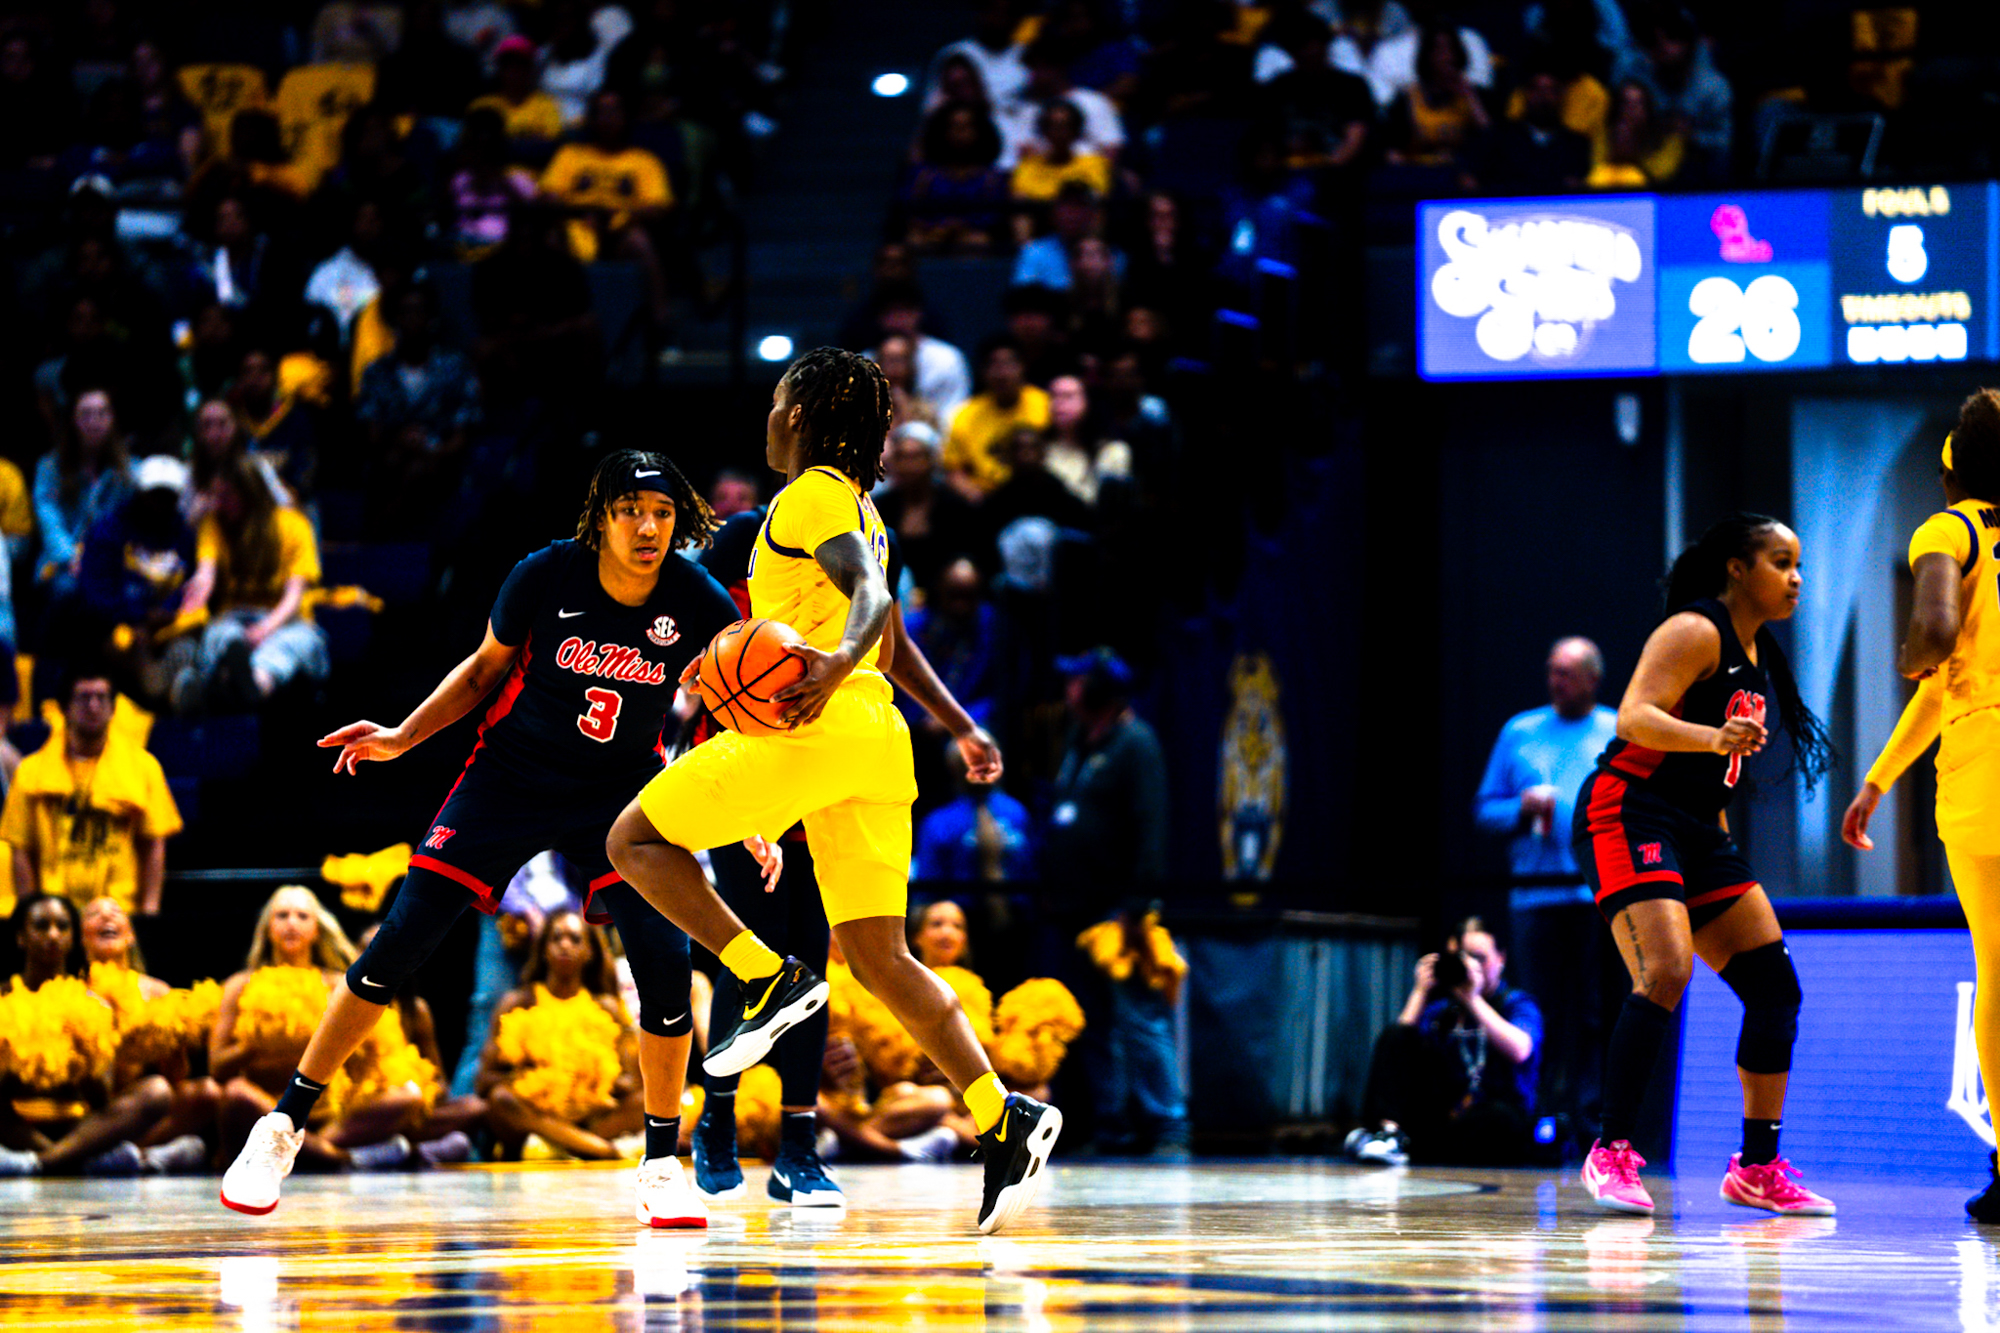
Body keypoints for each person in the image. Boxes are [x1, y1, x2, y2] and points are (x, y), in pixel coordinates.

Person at [218, 450, 747, 1228]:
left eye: (663, 514)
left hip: (619, 789)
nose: (649, 526)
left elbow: (737, 704)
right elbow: (478, 674)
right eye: (632, 509)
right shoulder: (545, 574)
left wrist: (750, 814)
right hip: (511, 774)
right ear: (602, 514)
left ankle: (662, 1159)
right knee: (400, 941)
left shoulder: (696, 597)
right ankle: (283, 1125)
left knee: (666, 963)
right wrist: (402, 737)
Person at [606, 347, 1060, 1235]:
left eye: (780, 401)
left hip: (810, 722)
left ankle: (762, 976)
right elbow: (885, 624)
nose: (769, 416)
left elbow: (870, 602)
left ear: (807, 416)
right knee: (880, 955)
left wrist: (833, 662)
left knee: (633, 842)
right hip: (881, 743)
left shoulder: (810, 493)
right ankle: (1002, 1114)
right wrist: (959, 721)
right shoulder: (865, 508)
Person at [1574, 514, 1836, 1217]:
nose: (1796, 577)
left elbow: (1712, 774)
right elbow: (1633, 718)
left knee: (1775, 990)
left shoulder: (1754, 651)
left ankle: (1757, 1166)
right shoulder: (1696, 630)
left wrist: (1719, 837)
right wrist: (1713, 735)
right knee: (1665, 968)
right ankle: (1612, 1151)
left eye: (1799, 564)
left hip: (1696, 829)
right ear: (1736, 568)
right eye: (1782, 562)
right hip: (1628, 809)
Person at [1842, 393, 2000, 1221]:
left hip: (1986, 771)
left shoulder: (1951, 529)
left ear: (1951, 470)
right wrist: (1881, 774)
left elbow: (1937, 642)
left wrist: (1911, 651)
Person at [210, 887, 436, 1176]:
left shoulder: (339, 984)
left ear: (317, 930)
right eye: (282, 915)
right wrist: (259, 1043)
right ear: (268, 928)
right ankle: (340, 1158)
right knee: (234, 1094)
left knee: (408, 1095)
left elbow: (369, 1057)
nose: (292, 923)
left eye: (302, 916)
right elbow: (217, 1067)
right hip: (264, 1106)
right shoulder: (240, 985)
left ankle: (305, 1150)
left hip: (331, 1114)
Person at [0, 894, 204, 1176]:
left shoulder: (93, 1003)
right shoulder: (3, 995)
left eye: (62, 926)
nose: (53, 935)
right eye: (41, 926)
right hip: (15, 1125)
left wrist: (80, 1066)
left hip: (80, 1127)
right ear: (21, 937)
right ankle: (89, 1161)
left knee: (156, 1091)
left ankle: (41, 1164)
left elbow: (102, 1097)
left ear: (73, 938)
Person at [1345, 917, 1543, 1166]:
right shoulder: (1443, 1011)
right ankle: (1390, 1136)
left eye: (1479, 958)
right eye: (1461, 958)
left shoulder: (1516, 1003)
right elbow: (1398, 1048)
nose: (1472, 966)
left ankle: (1412, 1148)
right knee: (1395, 1034)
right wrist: (1420, 992)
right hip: (1445, 1117)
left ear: (1501, 958)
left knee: (1500, 1119)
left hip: (1494, 1119)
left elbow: (1520, 1050)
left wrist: (1473, 1000)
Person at [2, 670, 180, 917]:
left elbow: (154, 845)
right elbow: (21, 849)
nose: (93, 706)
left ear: (113, 707)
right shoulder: (30, 773)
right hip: (56, 920)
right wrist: (31, 915)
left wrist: (149, 912)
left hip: (120, 917)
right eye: (84, 697)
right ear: (64, 707)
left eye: (101, 697)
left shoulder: (144, 768)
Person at [168, 457, 329, 714]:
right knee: (221, 634)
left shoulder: (295, 525)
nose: (219, 503)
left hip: (285, 621)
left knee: (294, 645)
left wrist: (265, 628)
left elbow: (294, 595)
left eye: (226, 496)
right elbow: (206, 570)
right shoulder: (214, 523)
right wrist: (199, 586)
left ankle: (240, 690)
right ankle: (241, 680)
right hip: (234, 618)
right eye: (216, 495)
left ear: (250, 492)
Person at [476, 909, 641, 1159]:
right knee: (500, 1101)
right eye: (556, 938)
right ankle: (601, 1150)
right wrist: (538, 1078)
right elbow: (484, 1081)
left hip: (591, 1115)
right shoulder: (517, 1002)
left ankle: (556, 1145)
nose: (564, 945)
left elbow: (630, 1082)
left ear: (589, 952)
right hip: (535, 1112)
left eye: (575, 939)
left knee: (645, 1102)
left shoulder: (607, 1007)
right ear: (543, 948)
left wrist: (587, 1080)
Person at [1475, 637, 1618, 881]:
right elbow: (1485, 811)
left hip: (1600, 889)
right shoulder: (1519, 731)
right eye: (1551, 672)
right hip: (1535, 891)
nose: (1555, 682)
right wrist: (1519, 809)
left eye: (1565, 674)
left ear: (1592, 679)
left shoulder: (1617, 731)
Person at [1046, 649, 1167, 893]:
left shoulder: (1136, 743)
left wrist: (1137, 904)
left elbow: (1151, 826)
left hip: (1110, 905)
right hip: (1066, 902)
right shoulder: (1076, 739)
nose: (1067, 690)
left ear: (1097, 689)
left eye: (1076, 681)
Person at [36, 387, 133, 591]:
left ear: (112, 419)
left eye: (101, 413)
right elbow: (49, 520)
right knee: (68, 588)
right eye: (86, 414)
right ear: (74, 421)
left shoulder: (129, 470)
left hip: (112, 559)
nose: (94, 421)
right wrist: (70, 557)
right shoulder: (50, 467)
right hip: (63, 563)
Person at [945, 338, 1051, 497]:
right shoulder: (965, 415)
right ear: (983, 372)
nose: (1002, 374)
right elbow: (954, 471)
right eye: (994, 366)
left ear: (1023, 368)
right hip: (988, 499)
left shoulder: (1045, 404)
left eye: (1009, 365)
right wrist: (978, 499)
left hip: (1039, 492)